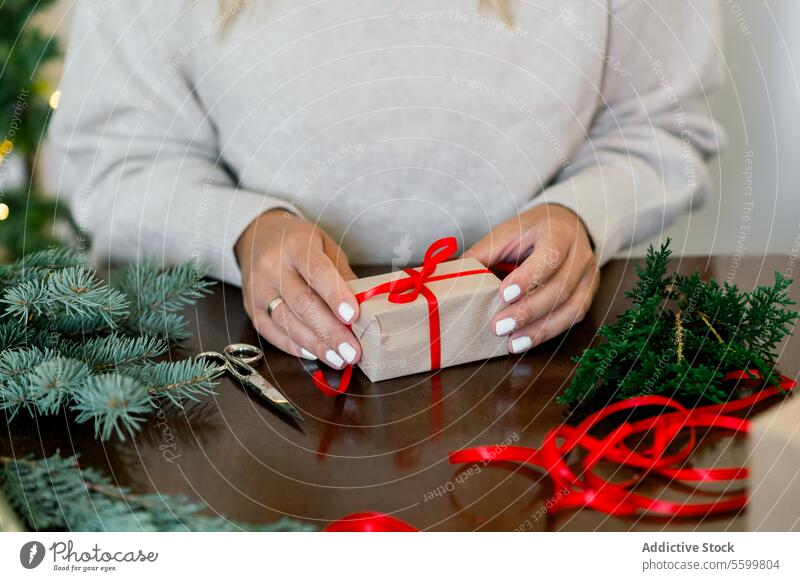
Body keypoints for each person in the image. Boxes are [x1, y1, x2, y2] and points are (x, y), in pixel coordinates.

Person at [47, 0, 724, 370]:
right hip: (246, 373)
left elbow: (665, 128)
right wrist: (243, 233)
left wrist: (580, 216)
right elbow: (117, 160)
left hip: (544, 364)